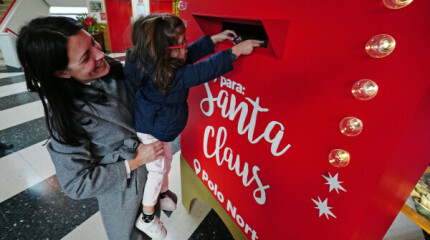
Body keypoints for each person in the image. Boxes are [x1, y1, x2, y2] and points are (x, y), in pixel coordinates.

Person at [16, 16, 164, 240]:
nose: (100, 54)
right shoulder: (66, 117)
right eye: (86, 57)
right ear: (62, 73)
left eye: (93, 43)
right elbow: (76, 184)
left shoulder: (114, 71)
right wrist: (134, 161)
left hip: (153, 181)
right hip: (125, 196)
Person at [125, 13, 263, 239]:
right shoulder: (164, 77)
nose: (186, 48)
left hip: (160, 127)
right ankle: (147, 216)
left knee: (166, 161)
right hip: (150, 130)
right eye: (181, 45)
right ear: (162, 52)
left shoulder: (162, 61)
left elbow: (188, 56)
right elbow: (199, 71)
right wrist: (234, 52)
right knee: (157, 168)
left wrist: (213, 40)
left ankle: (160, 193)